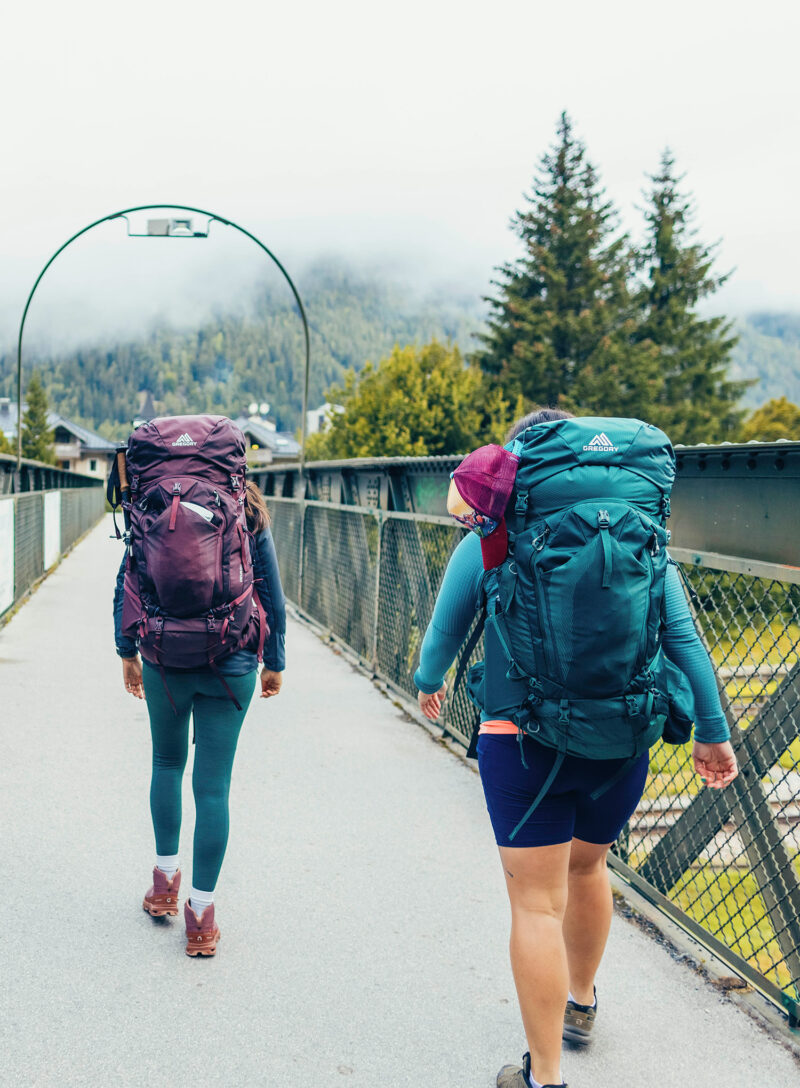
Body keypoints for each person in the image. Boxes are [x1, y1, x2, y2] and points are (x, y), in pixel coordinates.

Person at [414, 409, 738, 1088]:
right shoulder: (643, 539)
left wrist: (426, 682)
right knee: (590, 871)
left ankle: (546, 1078)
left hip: (522, 742)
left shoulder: (495, 533)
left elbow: (444, 631)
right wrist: (712, 734)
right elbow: (686, 644)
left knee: (536, 903)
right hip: (621, 739)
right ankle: (581, 1003)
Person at [114, 478, 285, 956]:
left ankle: (164, 883)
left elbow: (127, 576)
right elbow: (270, 587)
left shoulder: (151, 501)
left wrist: (126, 648)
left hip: (165, 656)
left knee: (167, 764)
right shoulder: (243, 506)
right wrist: (276, 660)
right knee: (214, 787)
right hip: (232, 662)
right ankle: (202, 917)